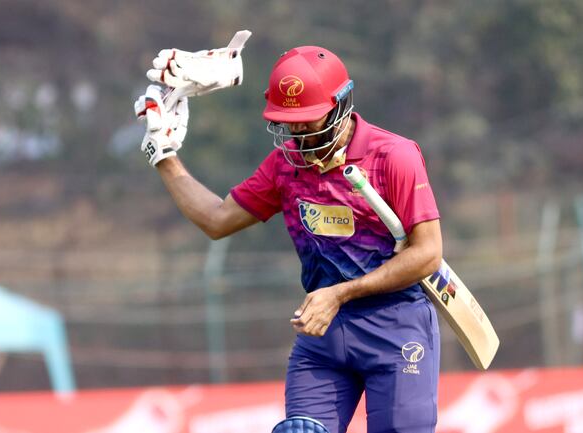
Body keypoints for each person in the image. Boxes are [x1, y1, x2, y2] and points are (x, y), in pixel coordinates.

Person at [136, 45, 443, 433]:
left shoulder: (393, 156)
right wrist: (164, 154)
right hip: (324, 338)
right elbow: (216, 220)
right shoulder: (285, 165)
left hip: (396, 329)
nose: (297, 131)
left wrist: (340, 293)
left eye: (307, 120)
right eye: (288, 121)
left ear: (340, 105)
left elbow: (428, 253)